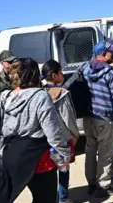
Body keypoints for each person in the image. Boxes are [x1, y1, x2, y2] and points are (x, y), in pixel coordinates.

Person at [0, 57, 71, 203]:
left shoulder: (4, 96)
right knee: (45, 198)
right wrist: (65, 153)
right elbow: (53, 133)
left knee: (6, 197)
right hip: (37, 158)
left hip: (11, 155)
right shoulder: (40, 96)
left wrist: (2, 153)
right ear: (35, 74)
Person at [82, 39, 113, 198]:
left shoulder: (85, 69)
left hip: (88, 117)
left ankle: (91, 184)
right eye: (111, 52)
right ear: (103, 55)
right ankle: (103, 186)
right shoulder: (110, 73)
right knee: (106, 153)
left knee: (90, 151)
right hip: (105, 118)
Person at [41, 60, 80, 203]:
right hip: (62, 138)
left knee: (48, 171)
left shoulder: (39, 91)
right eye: (60, 72)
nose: (62, 74)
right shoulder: (61, 94)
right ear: (54, 75)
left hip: (44, 139)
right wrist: (75, 134)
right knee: (63, 169)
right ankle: (63, 199)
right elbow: (68, 117)